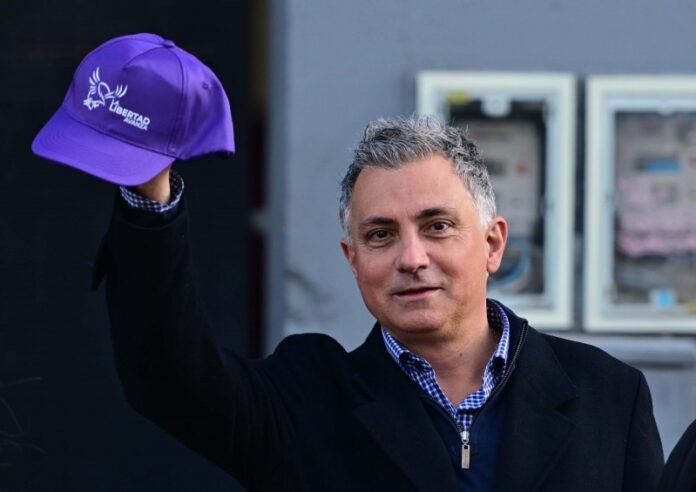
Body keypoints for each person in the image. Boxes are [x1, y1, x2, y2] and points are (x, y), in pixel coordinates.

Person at [91, 115, 664, 492]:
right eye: (381, 235)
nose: (411, 258)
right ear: (353, 258)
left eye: (437, 226)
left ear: (493, 244)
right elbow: (169, 377)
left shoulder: (608, 396)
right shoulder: (305, 401)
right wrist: (149, 198)